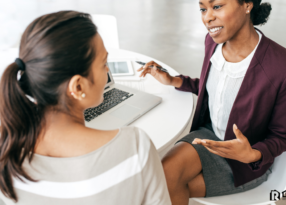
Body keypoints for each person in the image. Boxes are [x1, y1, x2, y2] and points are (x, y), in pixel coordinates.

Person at [138, 0, 286, 204]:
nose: (207, 18)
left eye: (217, 6)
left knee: (164, 184)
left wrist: (252, 154)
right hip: (208, 136)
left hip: (245, 162)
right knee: (159, 178)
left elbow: (282, 136)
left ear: (247, 4)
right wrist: (174, 80)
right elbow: (214, 88)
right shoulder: (212, 43)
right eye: (203, 9)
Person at [0, 11, 171, 205]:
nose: (108, 70)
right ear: (78, 86)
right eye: (103, 64)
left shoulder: (7, 150)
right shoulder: (135, 147)